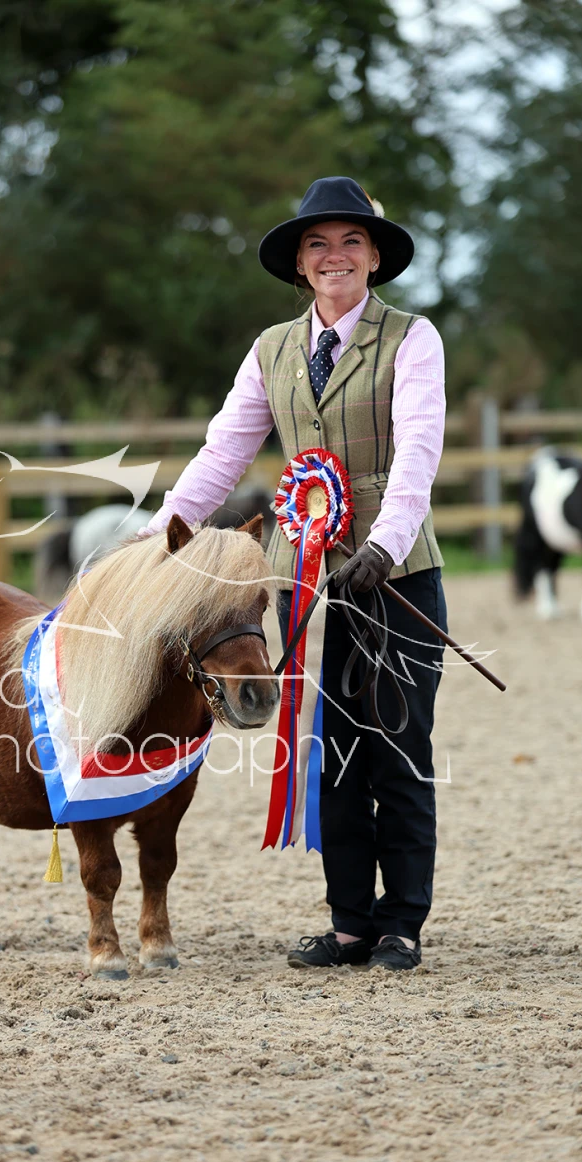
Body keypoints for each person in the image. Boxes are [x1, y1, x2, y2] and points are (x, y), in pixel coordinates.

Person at [142, 177, 448, 972]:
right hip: (303, 577)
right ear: (299, 264)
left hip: (395, 575)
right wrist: (159, 534)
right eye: (317, 244)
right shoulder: (271, 349)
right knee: (331, 745)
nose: (333, 255)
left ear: (373, 258)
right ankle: (348, 922)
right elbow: (223, 452)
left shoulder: (411, 339)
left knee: (396, 745)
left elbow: (417, 451)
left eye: (350, 241)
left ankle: (400, 922)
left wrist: (384, 545)